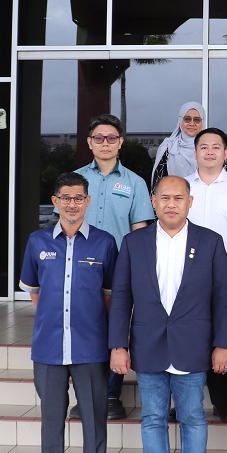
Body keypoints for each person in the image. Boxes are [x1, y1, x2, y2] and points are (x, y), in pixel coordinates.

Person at [109, 176, 227, 453]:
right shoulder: (133, 243)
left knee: (193, 417)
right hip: (147, 344)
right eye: (164, 197)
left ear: (190, 202)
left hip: (193, 345)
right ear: (153, 202)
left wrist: (223, 344)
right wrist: (118, 345)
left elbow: (223, 298)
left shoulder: (210, 241)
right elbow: (121, 297)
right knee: (152, 417)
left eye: (179, 198)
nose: (171, 204)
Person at [18, 172, 117, 453]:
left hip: (90, 346)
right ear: (55, 201)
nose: (72, 204)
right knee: (51, 417)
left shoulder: (105, 243)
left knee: (94, 417)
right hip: (48, 346)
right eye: (65, 198)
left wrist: (86, 321)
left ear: (87, 201)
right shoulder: (38, 241)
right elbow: (34, 292)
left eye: (78, 198)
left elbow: (109, 296)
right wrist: (55, 319)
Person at [70, 114, 155, 421]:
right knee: (82, 330)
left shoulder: (135, 183)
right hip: (78, 268)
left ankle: (110, 395)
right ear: (89, 142)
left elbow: (140, 231)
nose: (105, 143)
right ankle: (85, 395)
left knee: (114, 329)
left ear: (120, 143)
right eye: (98, 138)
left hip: (118, 268)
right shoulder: (74, 180)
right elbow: (65, 223)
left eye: (111, 138)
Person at [187, 127, 227, 422]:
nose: (210, 152)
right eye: (204, 147)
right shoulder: (183, 186)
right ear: (195, 153)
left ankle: (221, 401)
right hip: (186, 271)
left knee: (222, 333)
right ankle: (185, 400)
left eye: (216, 147)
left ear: (226, 153)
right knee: (188, 333)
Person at [151, 101, 204, 186]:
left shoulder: (211, 148)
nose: (192, 123)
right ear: (180, 120)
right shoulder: (168, 148)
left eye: (197, 120)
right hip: (173, 193)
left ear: (203, 122)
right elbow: (158, 181)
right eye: (187, 119)